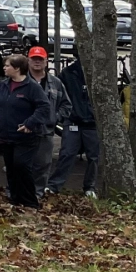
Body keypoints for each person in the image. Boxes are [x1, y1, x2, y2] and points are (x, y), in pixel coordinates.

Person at [0, 53, 53, 208]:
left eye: (7, 65)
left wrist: (30, 123)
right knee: (11, 167)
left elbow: (44, 107)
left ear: (17, 68)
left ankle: (30, 201)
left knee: (22, 166)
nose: (4, 68)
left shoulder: (32, 87)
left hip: (26, 136)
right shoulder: (1, 85)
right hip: (5, 135)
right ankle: (14, 198)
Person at [48, 54, 100, 197]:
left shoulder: (100, 72)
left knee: (94, 157)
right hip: (73, 121)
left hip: (92, 122)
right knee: (67, 153)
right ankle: (54, 186)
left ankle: (90, 187)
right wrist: (63, 115)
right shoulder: (68, 73)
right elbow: (61, 97)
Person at [23, 47, 68, 197]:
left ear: (46, 61)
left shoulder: (56, 83)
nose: (37, 62)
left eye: (40, 59)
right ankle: (20, 193)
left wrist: (55, 117)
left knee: (43, 165)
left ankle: (37, 194)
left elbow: (66, 105)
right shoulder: (19, 81)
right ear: (28, 60)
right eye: (34, 59)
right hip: (23, 130)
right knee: (21, 164)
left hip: (45, 131)